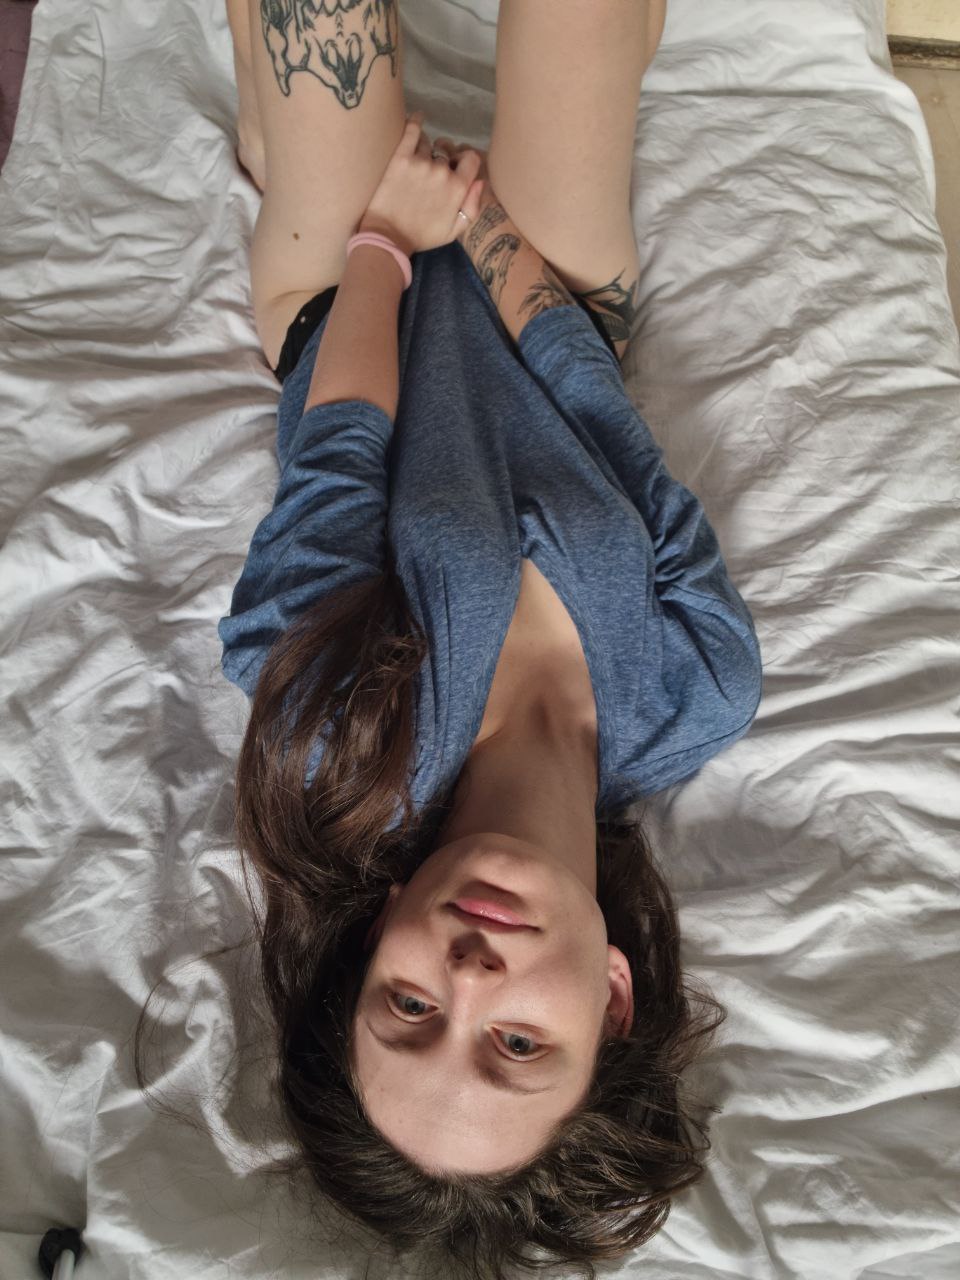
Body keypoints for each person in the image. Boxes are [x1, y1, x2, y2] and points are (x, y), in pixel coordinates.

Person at [213, 2, 763, 1276]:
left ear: (374, 946)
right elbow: (618, 435)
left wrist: (387, 237)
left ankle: (276, 136)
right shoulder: (699, 686)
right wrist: (494, 234)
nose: (466, 974)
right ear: (613, 999)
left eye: (407, 1005)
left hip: (348, 301)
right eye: (517, 1041)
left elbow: (337, 454)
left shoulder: (338, 745)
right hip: (556, 313)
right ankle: (284, 132)